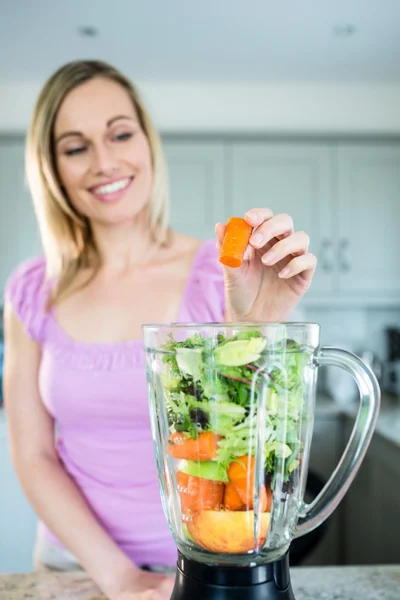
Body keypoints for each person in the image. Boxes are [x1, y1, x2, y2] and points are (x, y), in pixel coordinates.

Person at [2, 60, 317, 600]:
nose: (105, 161)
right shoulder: (33, 288)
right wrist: (119, 578)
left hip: (204, 562)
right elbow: (32, 453)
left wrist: (254, 324)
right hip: (72, 565)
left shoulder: (220, 275)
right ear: (51, 167)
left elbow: (252, 449)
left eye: (120, 133)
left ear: (148, 144)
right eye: (75, 147)